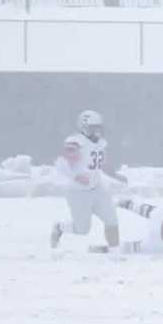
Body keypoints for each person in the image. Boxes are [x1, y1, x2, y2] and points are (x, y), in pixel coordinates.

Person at [50, 110, 127, 258]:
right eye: (93, 128)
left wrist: (115, 175)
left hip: (97, 188)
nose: (96, 131)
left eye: (98, 127)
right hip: (78, 192)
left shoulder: (100, 144)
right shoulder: (75, 142)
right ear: (84, 127)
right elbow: (63, 164)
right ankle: (59, 227)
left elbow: (102, 164)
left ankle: (115, 253)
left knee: (111, 219)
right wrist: (77, 176)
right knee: (82, 229)